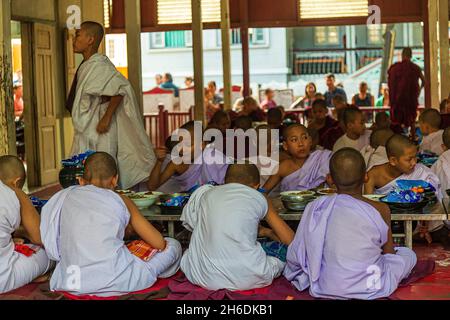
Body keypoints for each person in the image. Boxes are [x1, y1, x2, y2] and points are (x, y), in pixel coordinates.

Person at [40, 152, 182, 297]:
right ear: (115, 180)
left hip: (72, 282)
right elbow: (159, 243)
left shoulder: (65, 197)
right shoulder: (121, 199)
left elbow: (52, 244)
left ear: (81, 181)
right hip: (118, 280)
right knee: (173, 245)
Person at [284, 148, 417, 300]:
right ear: (366, 177)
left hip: (328, 285)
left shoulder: (317, 207)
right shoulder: (380, 208)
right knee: (408, 255)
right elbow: (388, 253)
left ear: (330, 179)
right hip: (371, 285)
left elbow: (302, 250)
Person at [66, 21, 156, 190]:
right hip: (88, 126)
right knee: (83, 167)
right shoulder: (87, 65)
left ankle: (107, 200)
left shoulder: (100, 64)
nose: (74, 39)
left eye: (78, 35)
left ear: (90, 39)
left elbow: (120, 90)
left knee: (103, 166)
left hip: (101, 128)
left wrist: (106, 118)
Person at [180, 163, 294, 291]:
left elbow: (193, 225)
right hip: (248, 278)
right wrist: (268, 233)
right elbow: (290, 240)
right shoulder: (259, 196)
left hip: (204, 277)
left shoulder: (206, 194)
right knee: (283, 253)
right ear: (257, 186)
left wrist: (264, 231)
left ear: (225, 182)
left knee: (189, 253)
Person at [0, 156, 52, 294]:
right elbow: (40, 237)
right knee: (49, 254)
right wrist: (22, 232)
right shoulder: (14, 191)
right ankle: (33, 274)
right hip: (2, 276)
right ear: (16, 182)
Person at [148, 121, 233, 193]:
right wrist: (159, 161)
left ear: (202, 145)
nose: (182, 149)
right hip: (191, 204)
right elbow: (152, 187)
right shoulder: (177, 163)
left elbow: (233, 183)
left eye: (188, 144)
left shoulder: (212, 157)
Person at [263, 124, 332, 193]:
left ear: (310, 141)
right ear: (285, 146)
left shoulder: (322, 159)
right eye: (294, 140)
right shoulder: (283, 167)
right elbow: (263, 190)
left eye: (304, 138)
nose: (301, 144)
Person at [388, 48, 425, 136]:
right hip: (410, 101)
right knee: (411, 121)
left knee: (396, 122)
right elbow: (424, 81)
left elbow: (390, 84)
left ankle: (395, 139)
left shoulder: (394, 68)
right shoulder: (415, 68)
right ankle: (413, 138)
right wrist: (418, 91)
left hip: (397, 101)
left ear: (402, 55)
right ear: (411, 56)